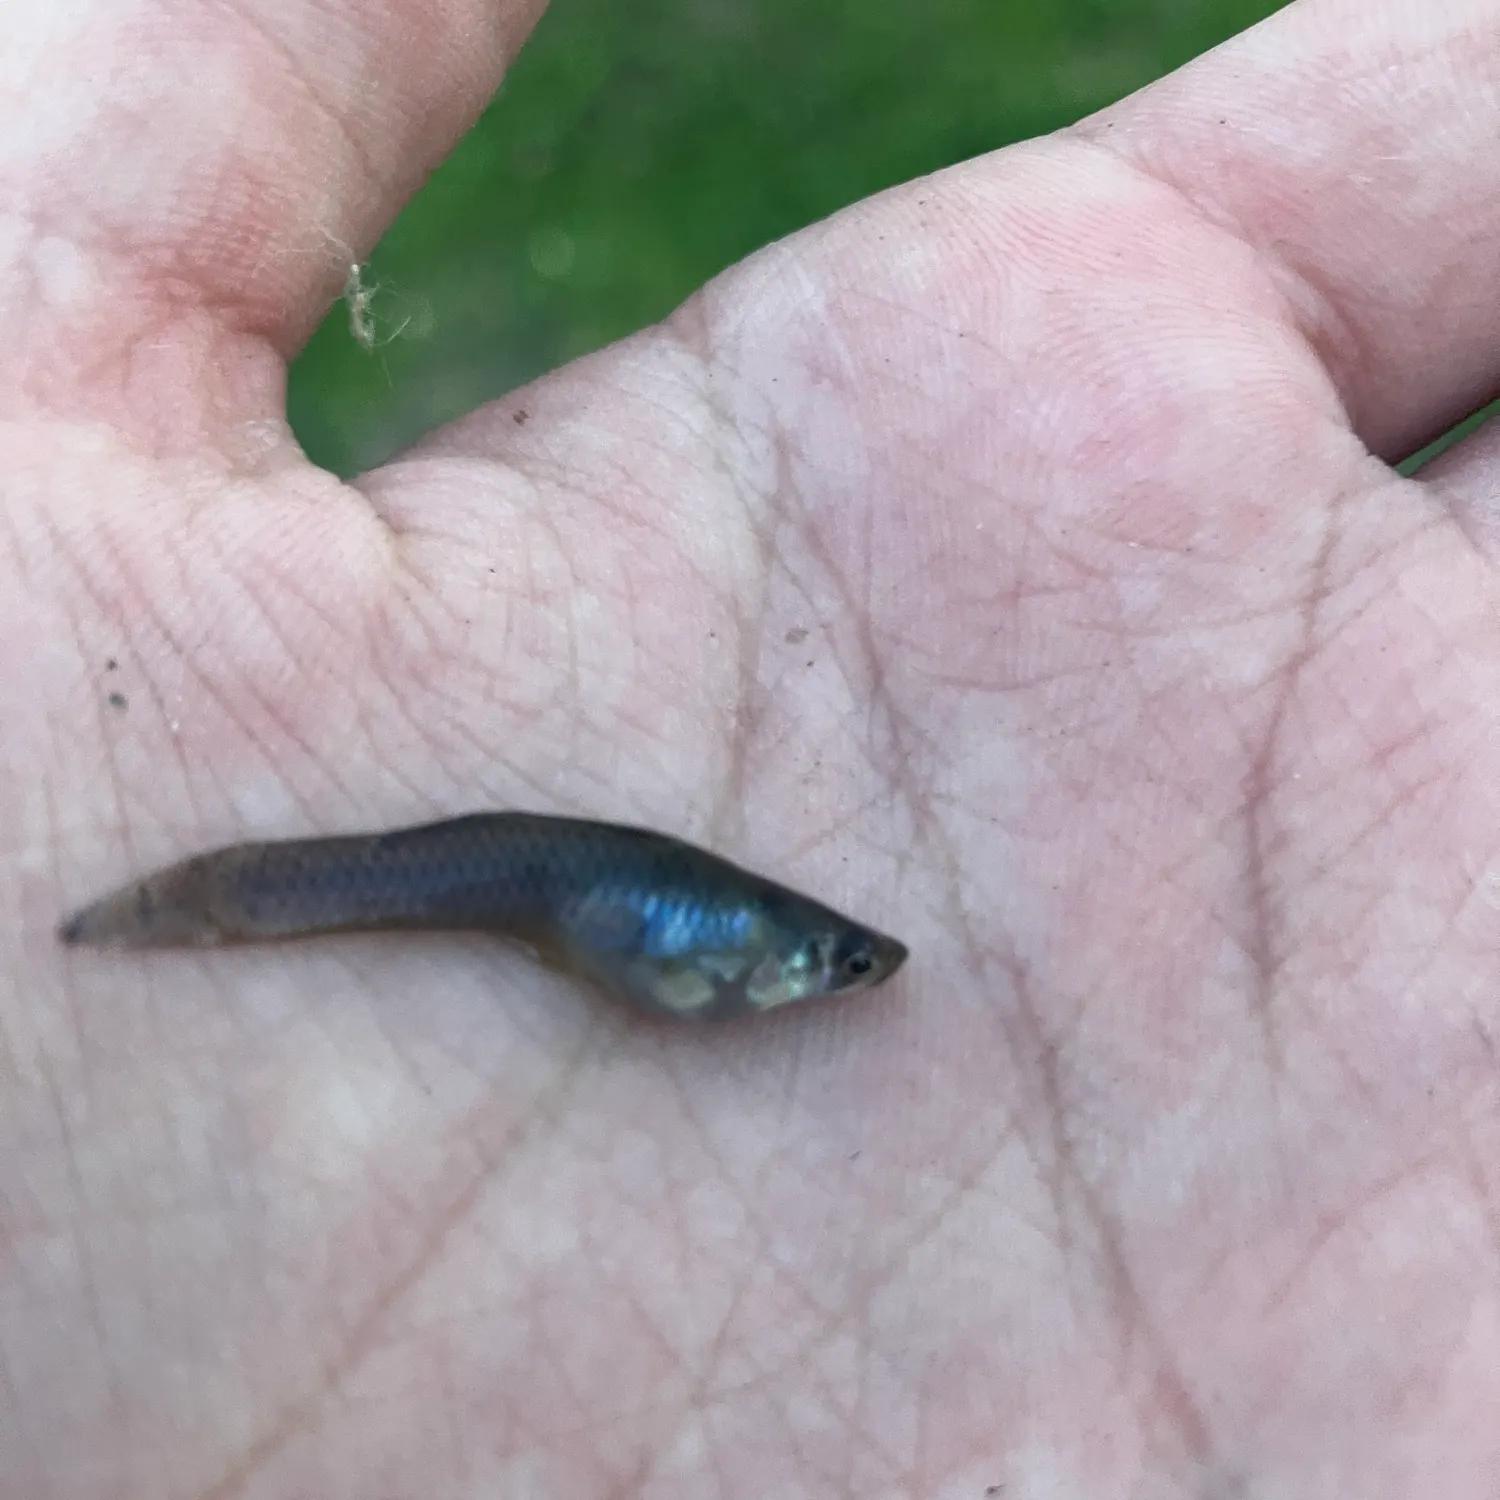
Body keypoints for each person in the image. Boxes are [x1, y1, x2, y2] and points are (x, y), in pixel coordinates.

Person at [7, 1, 1499, 1494]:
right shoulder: (741, 947)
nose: (849, 975)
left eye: (841, 961)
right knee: (431, 877)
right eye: (837, 961)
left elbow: (668, 970)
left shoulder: (748, 952)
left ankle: (215, 902)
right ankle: (207, 904)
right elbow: (670, 970)